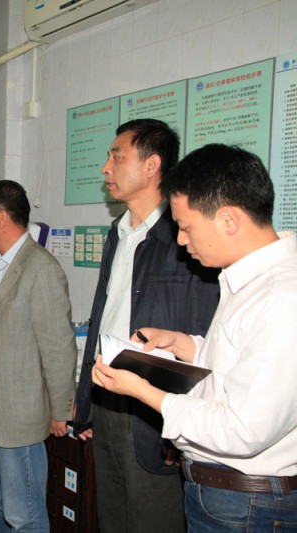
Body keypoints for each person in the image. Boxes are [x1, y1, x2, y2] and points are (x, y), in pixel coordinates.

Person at [92, 143, 297, 530]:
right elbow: (239, 365)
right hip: (226, 496)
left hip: (248, 505)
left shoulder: (282, 296)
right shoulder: (250, 281)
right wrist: (185, 345)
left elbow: (242, 430)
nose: (182, 242)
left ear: (228, 220)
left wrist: (144, 392)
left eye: (186, 228)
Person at [72, 119, 219, 532]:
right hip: (108, 396)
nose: (106, 167)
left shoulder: (184, 238)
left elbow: (202, 335)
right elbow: (101, 317)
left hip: (155, 412)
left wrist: (183, 428)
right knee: (112, 517)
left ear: (152, 165)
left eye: (117, 157)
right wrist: (85, 401)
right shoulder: (117, 234)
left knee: (154, 519)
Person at [0, 180, 77, 532]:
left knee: (23, 511)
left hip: (21, 408)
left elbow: (58, 346)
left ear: (1, 217)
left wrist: (61, 409)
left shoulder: (40, 268)